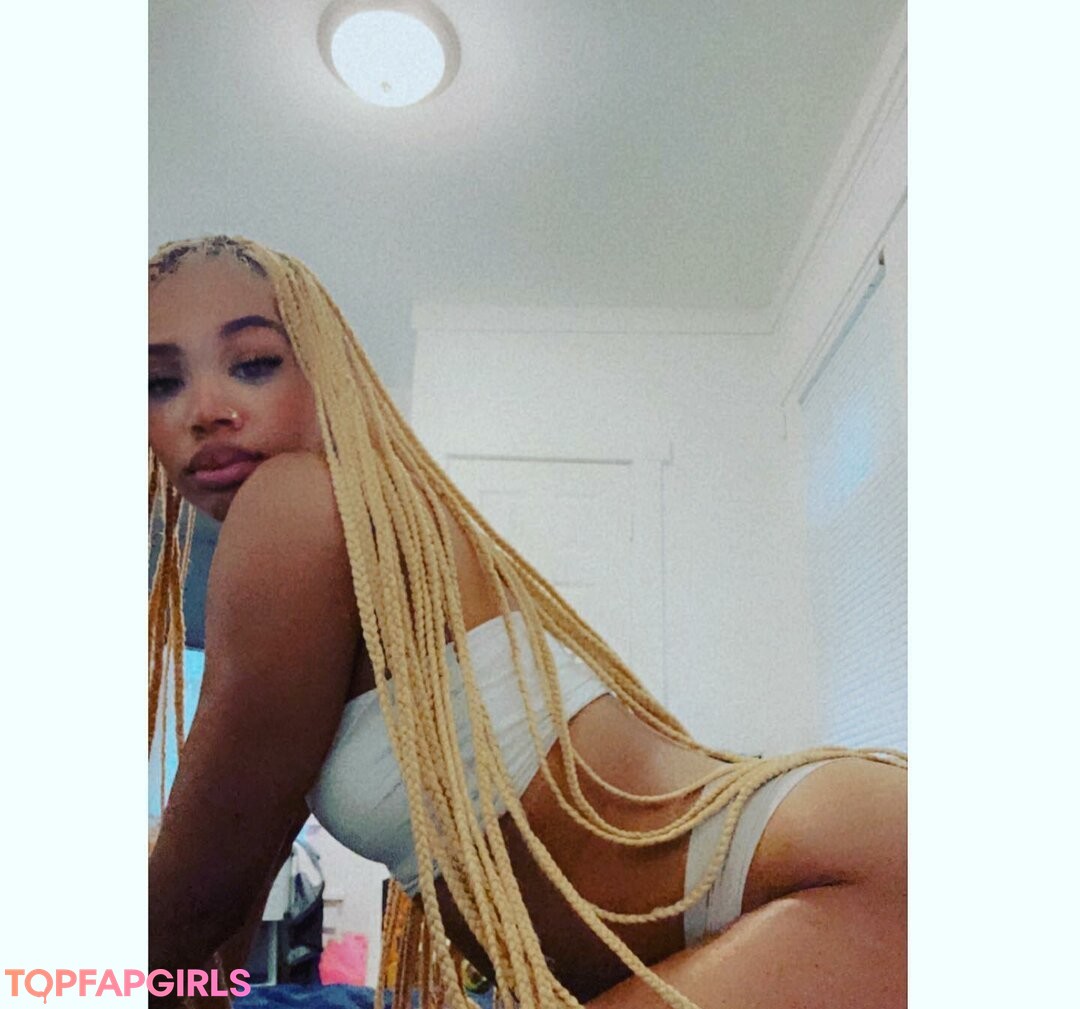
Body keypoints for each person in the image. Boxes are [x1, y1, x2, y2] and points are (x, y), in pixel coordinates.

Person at [148, 235, 906, 1009]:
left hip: (843, 884)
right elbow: (225, 894)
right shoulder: (338, 548)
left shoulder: (293, 504)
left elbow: (188, 908)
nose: (206, 411)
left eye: (254, 364)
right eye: (159, 383)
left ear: (324, 374)